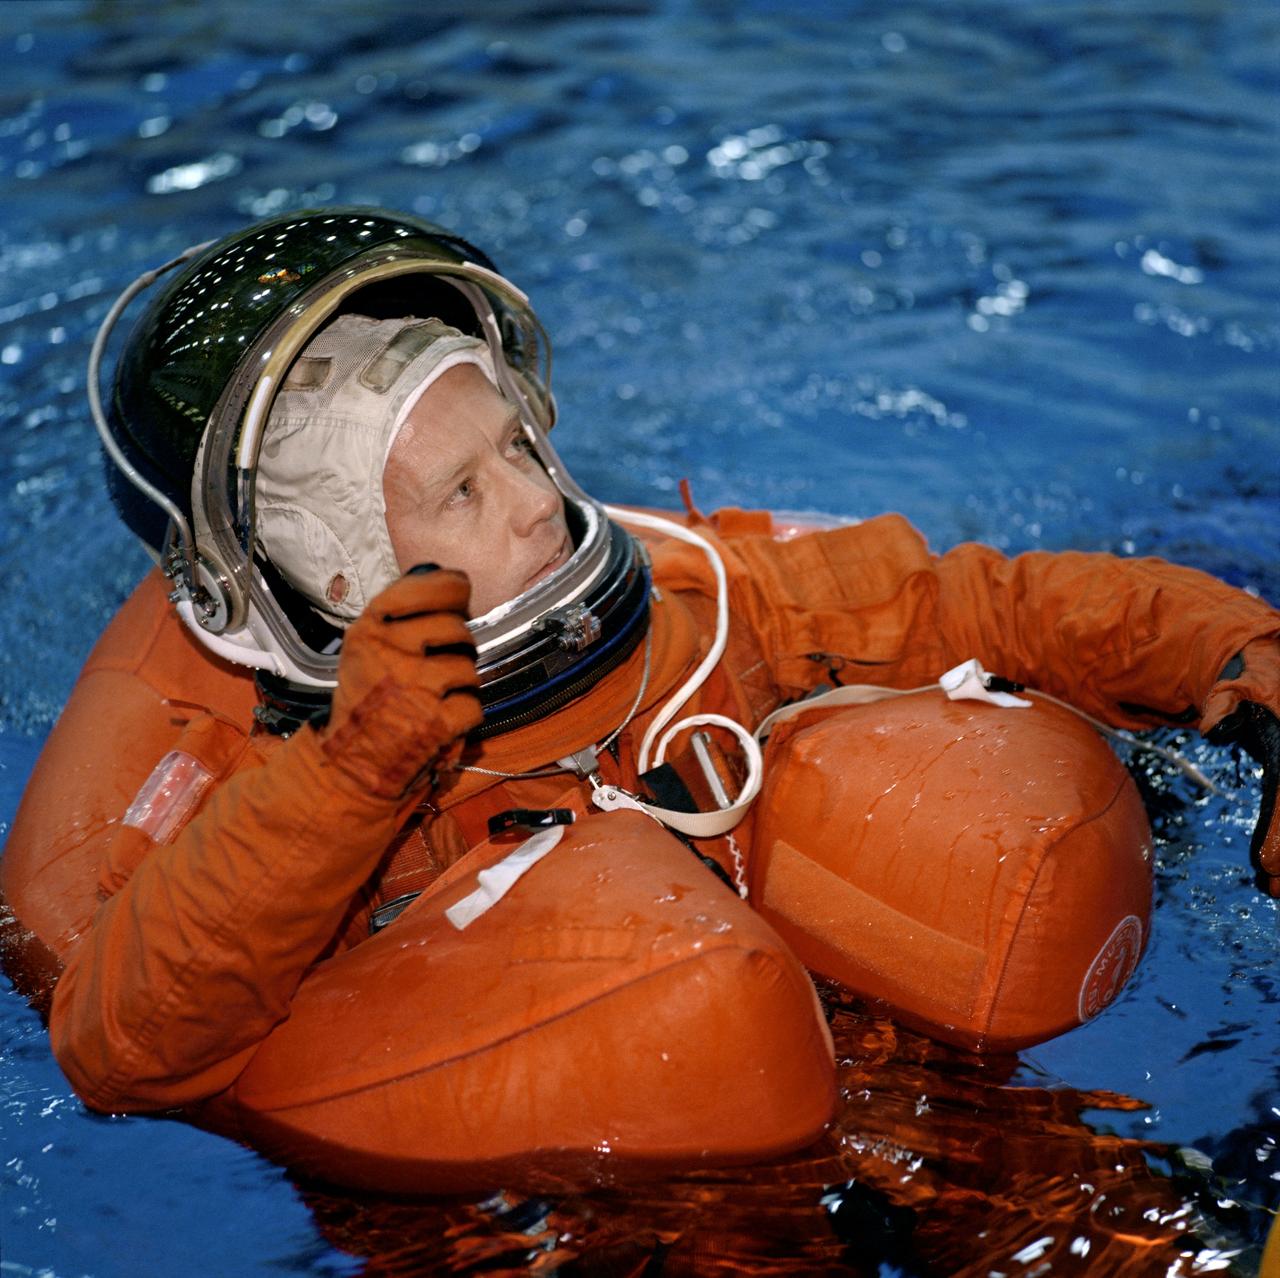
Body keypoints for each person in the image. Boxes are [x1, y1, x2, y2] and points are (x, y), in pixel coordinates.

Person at [32, 206, 1280, 1119]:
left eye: (516, 445)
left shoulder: (684, 604)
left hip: (877, 1092)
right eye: (463, 490)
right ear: (341, 574)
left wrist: (1241, 659)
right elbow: (121, 1045)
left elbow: (976, 604)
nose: (536, 503)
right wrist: (356, 769)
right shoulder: (267, 781)